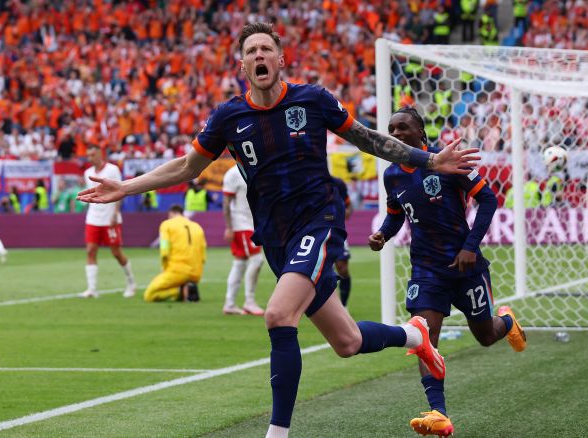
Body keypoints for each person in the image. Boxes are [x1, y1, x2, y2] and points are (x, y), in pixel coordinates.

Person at [78, 23, 479, 438]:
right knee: (347, 342)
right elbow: (185, 167)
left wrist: (428, 160)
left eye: (266, 49)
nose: (259, 56)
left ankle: (277, 434)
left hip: (318, 223)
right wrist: (125, 187)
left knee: (277, 314)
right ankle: (414, 336)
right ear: (242, 65)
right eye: (251, 51)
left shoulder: (313, 100)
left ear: (281, 59)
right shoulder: (229, 117)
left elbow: (367, 139)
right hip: (275, 238)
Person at [368, 107, 526, 437]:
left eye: (404, 128)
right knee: (424, 336)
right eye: (392, 129)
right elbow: (397, 214)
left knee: (485, 336)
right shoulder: (392, 175)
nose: (397, 133)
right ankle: (438, 412)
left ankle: (508, 321)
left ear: (421, 134)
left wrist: (470, 246)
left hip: (465, 266)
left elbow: (488, 199)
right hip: (426, 270)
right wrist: (384, 232)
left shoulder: (447, 162)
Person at [81, 144, 136, 299]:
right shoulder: (88, 173)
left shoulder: (112, 170)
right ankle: (91, 289)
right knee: (90, 250)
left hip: (110, 217)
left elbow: (120, 191)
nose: (89, 158)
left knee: (116, 253)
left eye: (92, 155)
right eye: (88, 155)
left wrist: (116, 213)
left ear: (100, 154)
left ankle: (131, 283)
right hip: (93, 217)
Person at [222, 163, 265, 316]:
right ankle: (249, 301)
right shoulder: (233, 173)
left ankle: (230, 303)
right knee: (257, 260)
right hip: (241, 224)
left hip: (252, 223)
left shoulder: (257, 169)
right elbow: (226, 202)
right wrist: (229, 227)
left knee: (239, 263)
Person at [143, 204, 206, 302]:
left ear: (171, 214)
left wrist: (164, 269)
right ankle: (188, 288)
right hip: (195, 273)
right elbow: (203, 255)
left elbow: (164, 250)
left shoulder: (167, 224)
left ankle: (180, 291)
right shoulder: (197, 227)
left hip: (177, 271)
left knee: (149, 295)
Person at [331, 176, 354, 306]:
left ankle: (343, 305)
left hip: (336, 230)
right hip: (314, 232)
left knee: (342, 268)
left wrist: (340, 214)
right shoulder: (309, 183)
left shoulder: (337, 183)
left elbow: (349, 208)